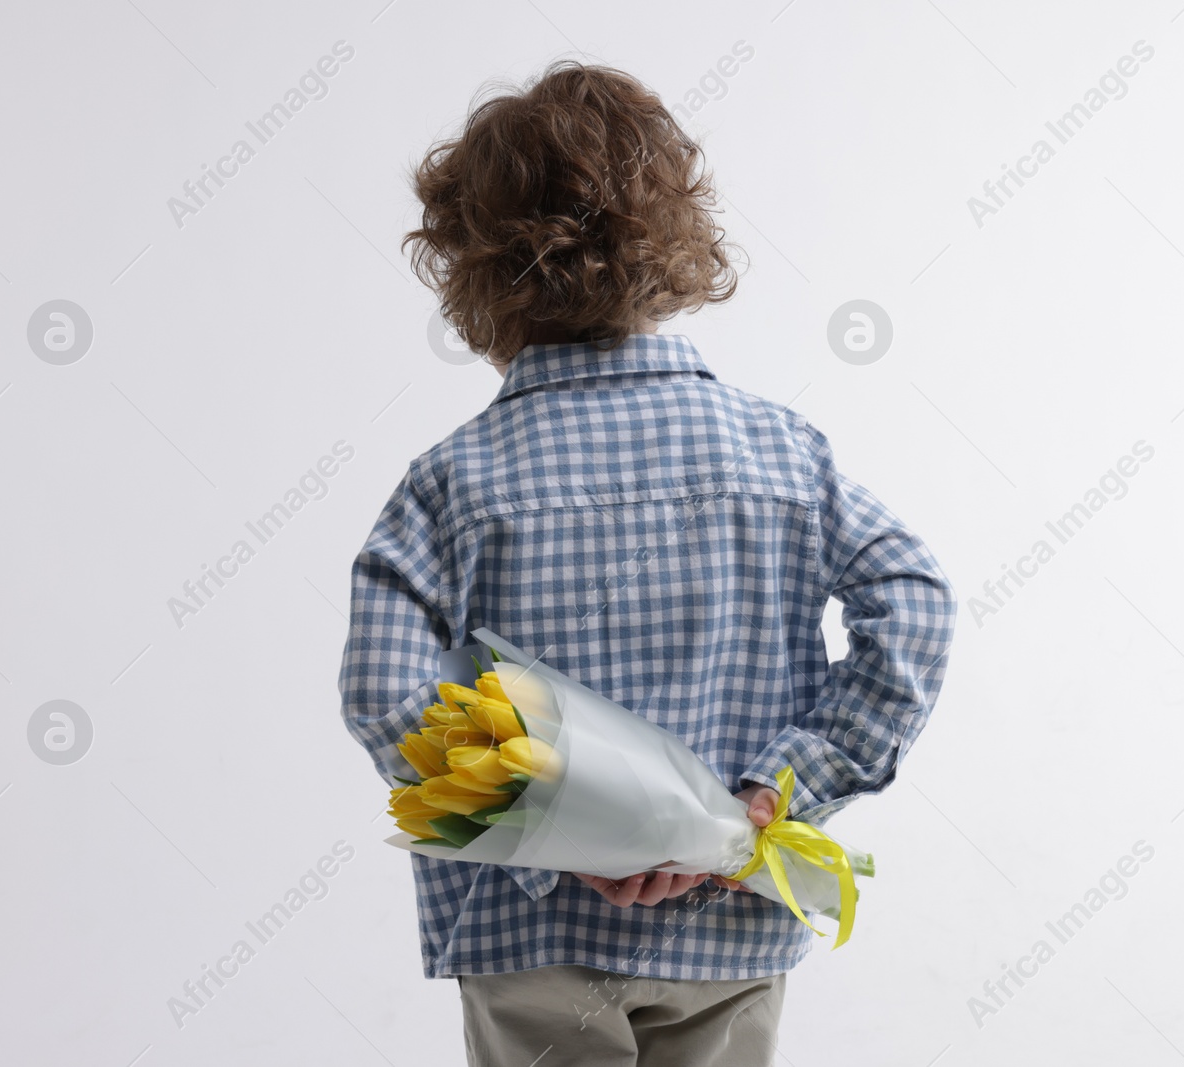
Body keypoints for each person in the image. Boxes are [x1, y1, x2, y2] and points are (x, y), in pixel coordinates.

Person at [338, 59, 956, 1067]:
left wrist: (557, 831)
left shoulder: (450, 482)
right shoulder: (781, 455)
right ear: (672, 238)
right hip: (729, 916)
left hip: (526, 929)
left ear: (470, 265)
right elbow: (913, 605)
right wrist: (774, 793)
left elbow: (380, 691)